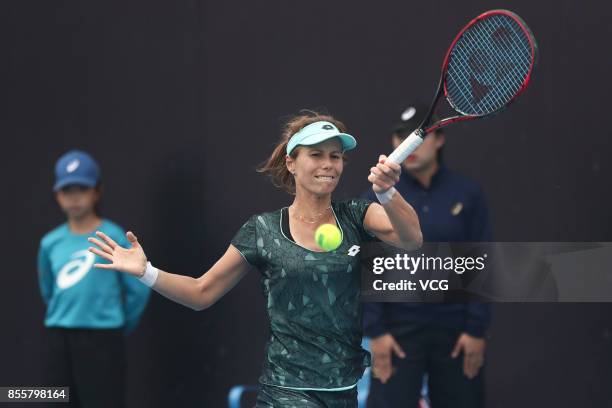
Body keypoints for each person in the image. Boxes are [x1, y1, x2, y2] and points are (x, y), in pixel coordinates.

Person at [87, 111, 423, 407]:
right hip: (285, 392)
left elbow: (411, 239)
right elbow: (202, 292)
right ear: (291, 162)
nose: (328, 164)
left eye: (335, 156)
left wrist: (387, 193)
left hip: (343, 389)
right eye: (316, 154)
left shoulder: (357, 215)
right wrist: (146, 272)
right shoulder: (262, 230)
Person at [362, 104, 491, 408]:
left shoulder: (467, 194)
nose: (408, 145)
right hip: (397, 333)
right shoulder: (374, 198)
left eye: (416, 137)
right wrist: (376, 332)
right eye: (399, 137)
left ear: (439, 139)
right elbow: (368, 267)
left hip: (456, 333)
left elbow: (481, 262)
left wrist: (476, 329)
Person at [37, 150, 151, 408]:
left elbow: (137, 291)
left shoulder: (114, 235)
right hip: (60, 339)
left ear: (96, 191)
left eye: (82, 188)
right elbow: (48, 290)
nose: (74, 197)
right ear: (58, 195)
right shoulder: (50, 243)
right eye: (67, 190)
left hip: (103, 340)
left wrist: (115, 324)